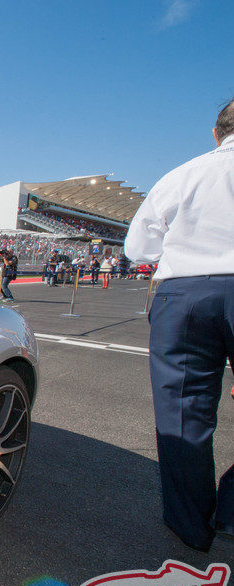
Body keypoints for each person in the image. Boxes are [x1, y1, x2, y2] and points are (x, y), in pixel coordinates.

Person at [124, 98, 234, 552]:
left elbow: (138, 247)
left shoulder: (184, 174)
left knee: (183, 413)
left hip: (185, 293)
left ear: (216, 132)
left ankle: (191, 525)